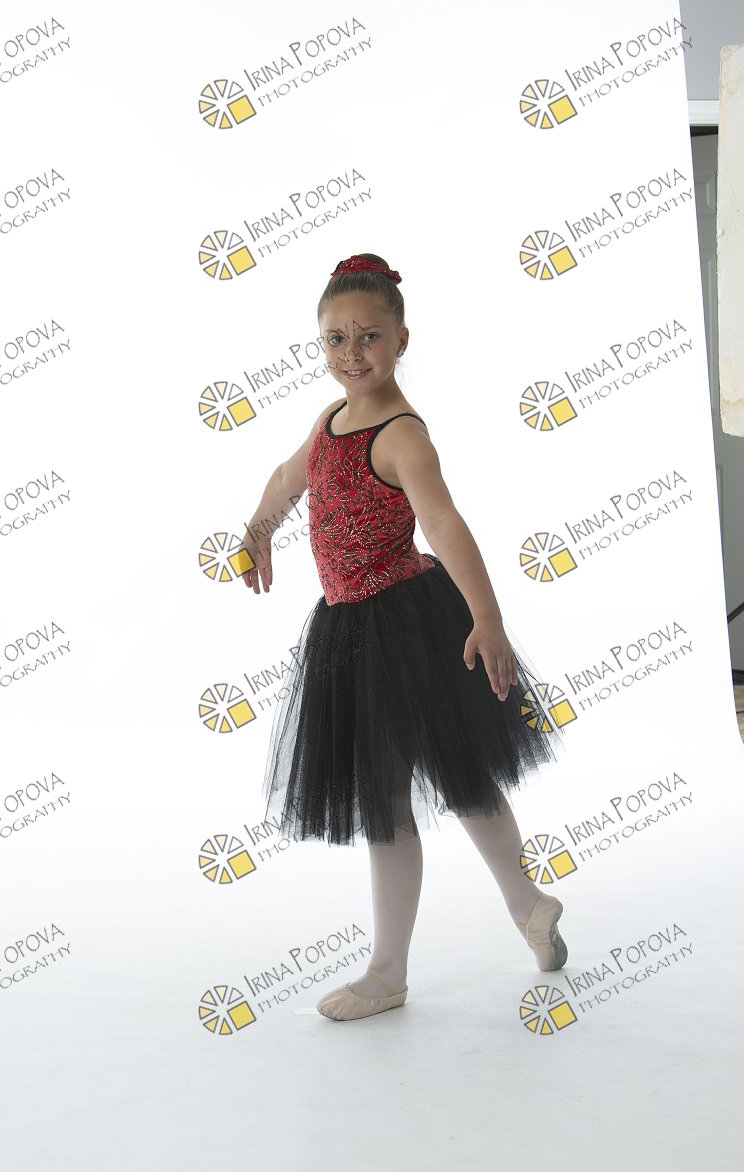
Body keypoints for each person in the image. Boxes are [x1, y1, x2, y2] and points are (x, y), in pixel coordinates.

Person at [239, 253, 568, 1022]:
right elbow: (287, 478)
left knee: (455, 778)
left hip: (408, 627)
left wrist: (487, 618)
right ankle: (524, 909)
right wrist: (258, 530)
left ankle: (400, 966)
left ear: (402, 339)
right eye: (336, 339)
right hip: (349, 632)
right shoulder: (329, 422)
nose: (352, 354)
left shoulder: (401, 435)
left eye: (370, 337)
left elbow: (444, 524)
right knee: (392, 794)